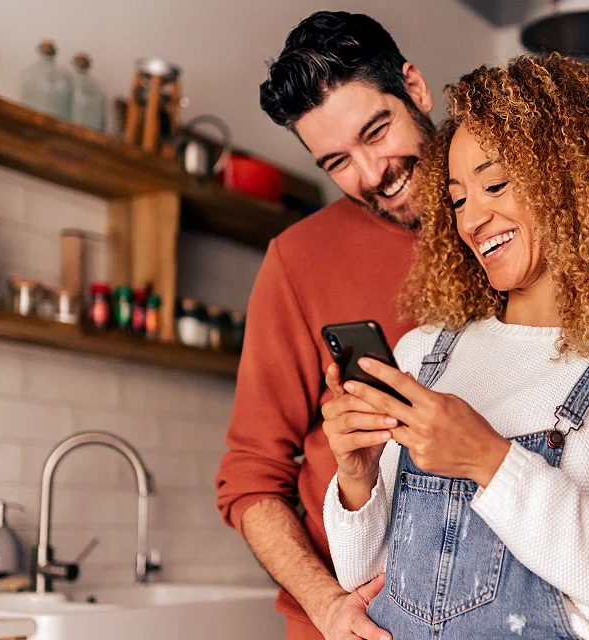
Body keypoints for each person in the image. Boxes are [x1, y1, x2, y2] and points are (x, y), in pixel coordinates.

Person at [321, 53, 589, 640]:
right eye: (456, 199)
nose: (471, 219)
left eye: (495, 184)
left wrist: (489, 460)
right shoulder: (424, 354)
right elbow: (374, 584)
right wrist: (358, 480)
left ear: (575, 179)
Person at [214, 11, 436, 640]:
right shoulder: (297, 259)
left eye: (377, 131)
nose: (372, 175)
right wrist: (327, 604)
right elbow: (250, 476)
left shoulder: (509, 224)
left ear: (414, 89)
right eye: (337, 160)